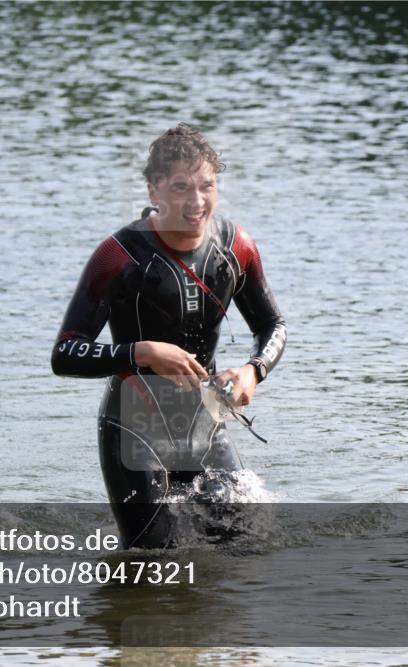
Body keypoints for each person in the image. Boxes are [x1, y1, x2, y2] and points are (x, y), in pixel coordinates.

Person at [51, 124, 286, 548]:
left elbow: (272, 326)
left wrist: (253, 371)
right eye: (181, 187)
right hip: (134, 426)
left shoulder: (236, 248)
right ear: (153, 190)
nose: (196, 202)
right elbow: (66, 353)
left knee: (246, 545)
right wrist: (142, 352)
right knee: (151, 562)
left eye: (206, 186)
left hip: (205, 421)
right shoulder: (118, 256)